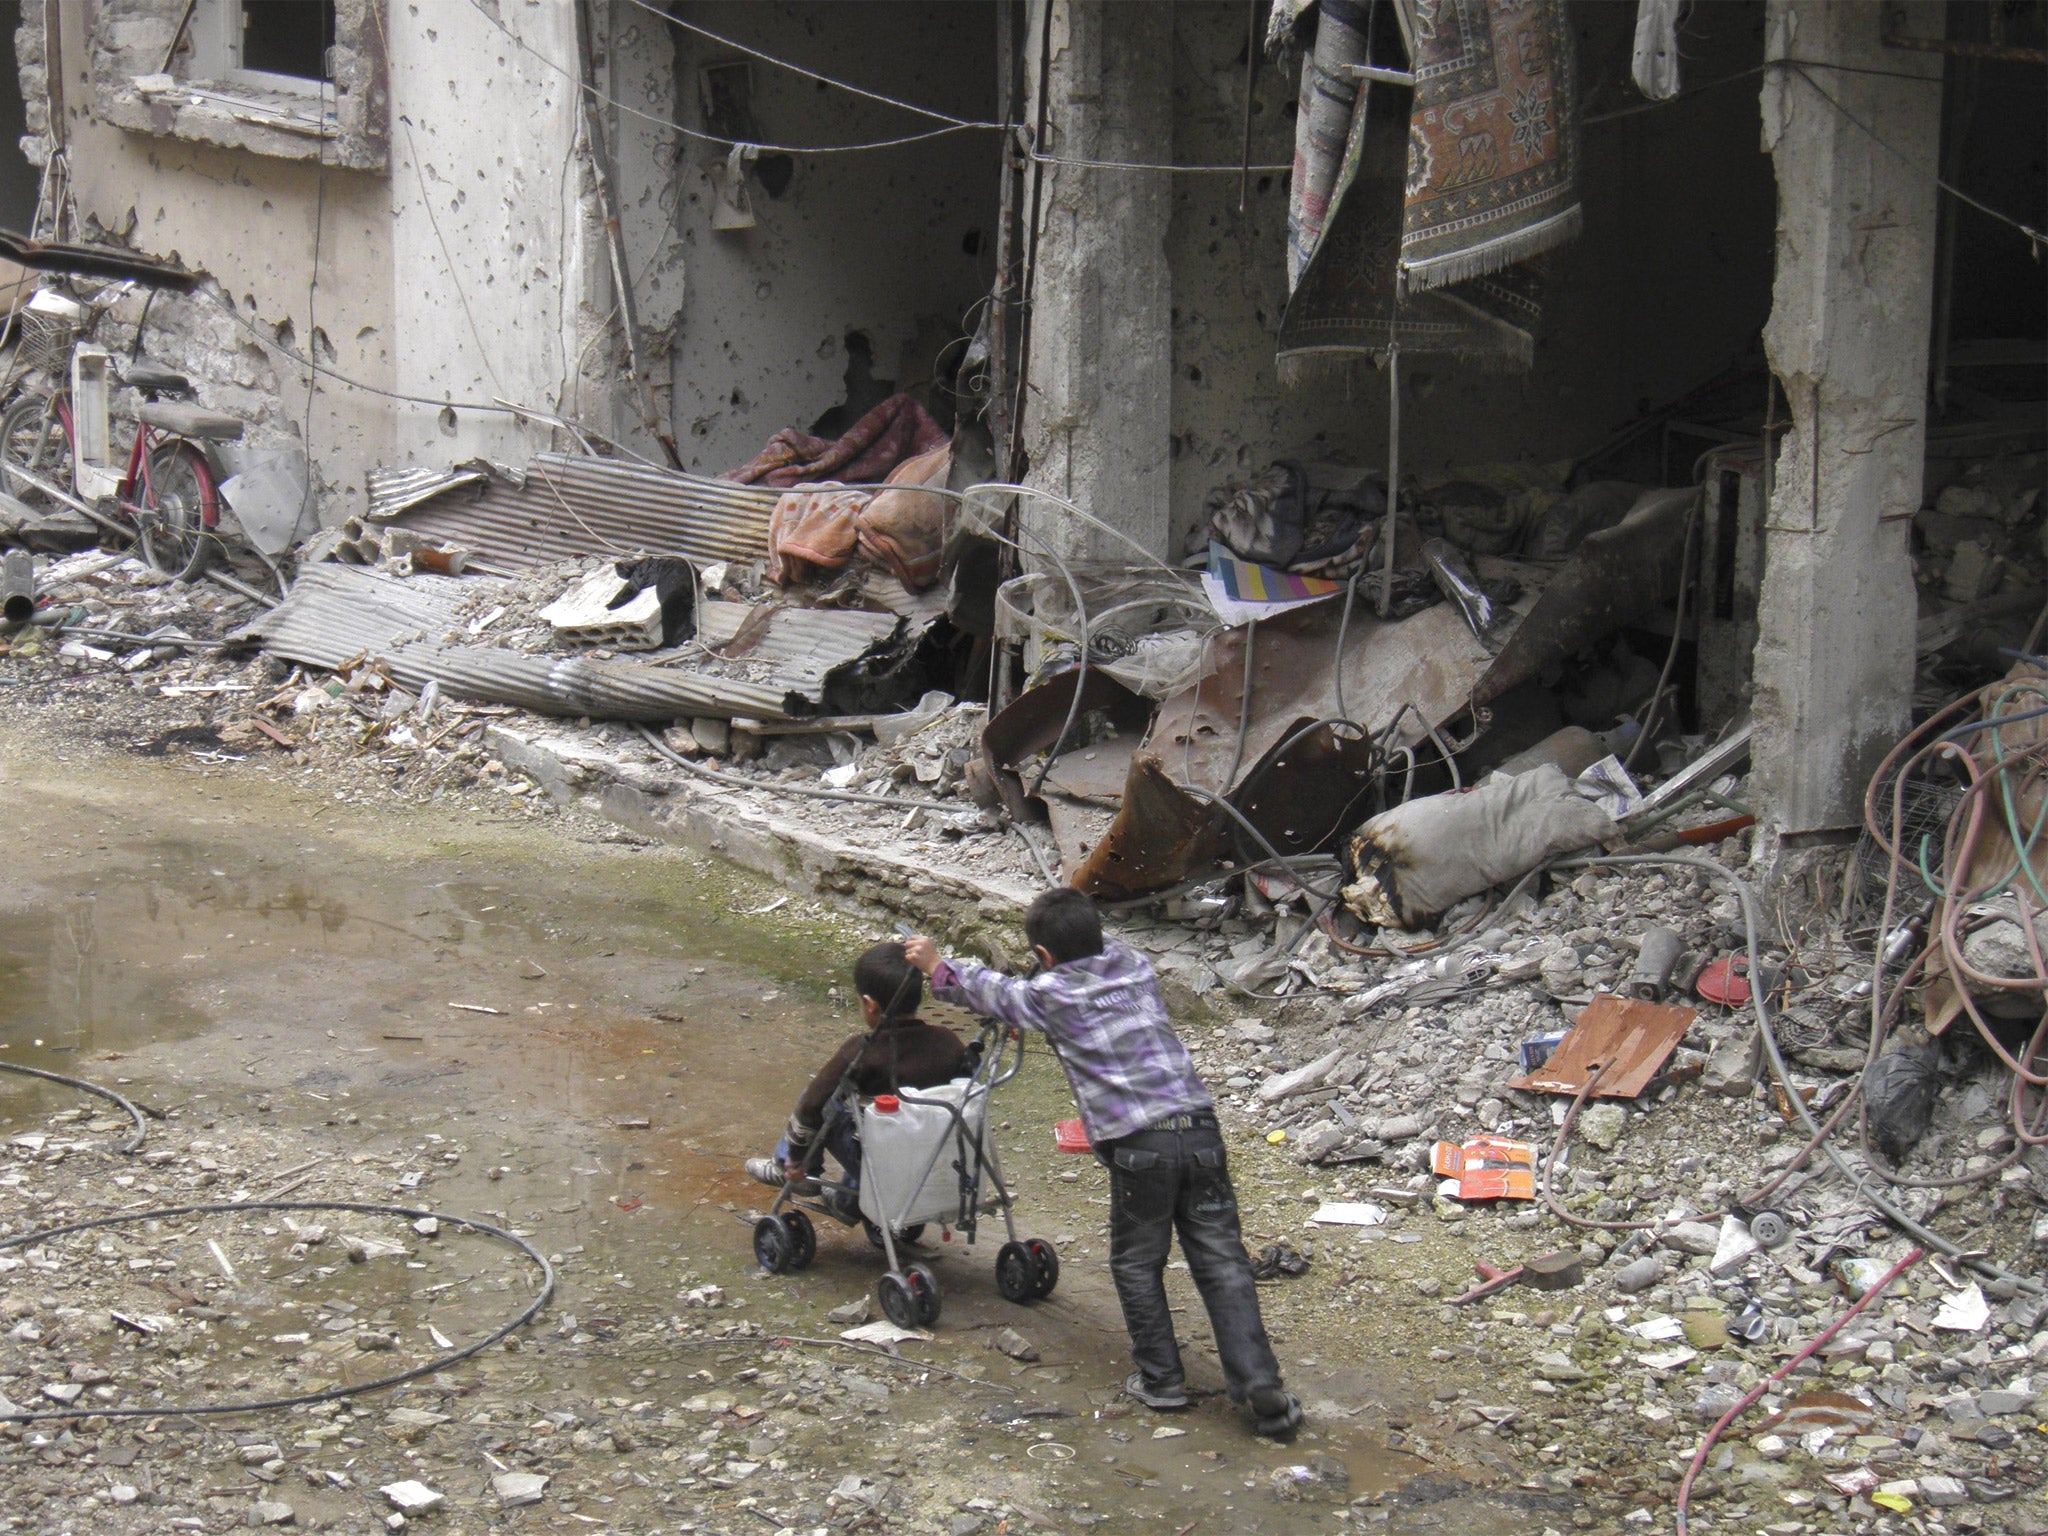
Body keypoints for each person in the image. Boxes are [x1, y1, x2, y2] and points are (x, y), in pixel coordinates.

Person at [904, 890, 1302, 1438]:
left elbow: (991, 992)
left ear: (1043, 956)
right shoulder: (1135, 967)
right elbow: (1070, 963)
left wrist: (936, 965)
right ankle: (1264, 1391)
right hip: (1200, 1130)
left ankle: (1161, 1381)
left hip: (1141, 1146)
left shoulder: (1049, 994)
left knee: (1138, 1263)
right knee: (1224, 1265)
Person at [745, 941, 966, 1200]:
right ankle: (848, 1202)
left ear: (870, 1005)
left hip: (877, 1160)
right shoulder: (948, 1041)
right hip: (933, 1155)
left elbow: (811, 1105)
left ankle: (789, 1168)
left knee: (824, 1102)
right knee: (878, 1121)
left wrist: (795, 1155)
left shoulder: (862, 1052)